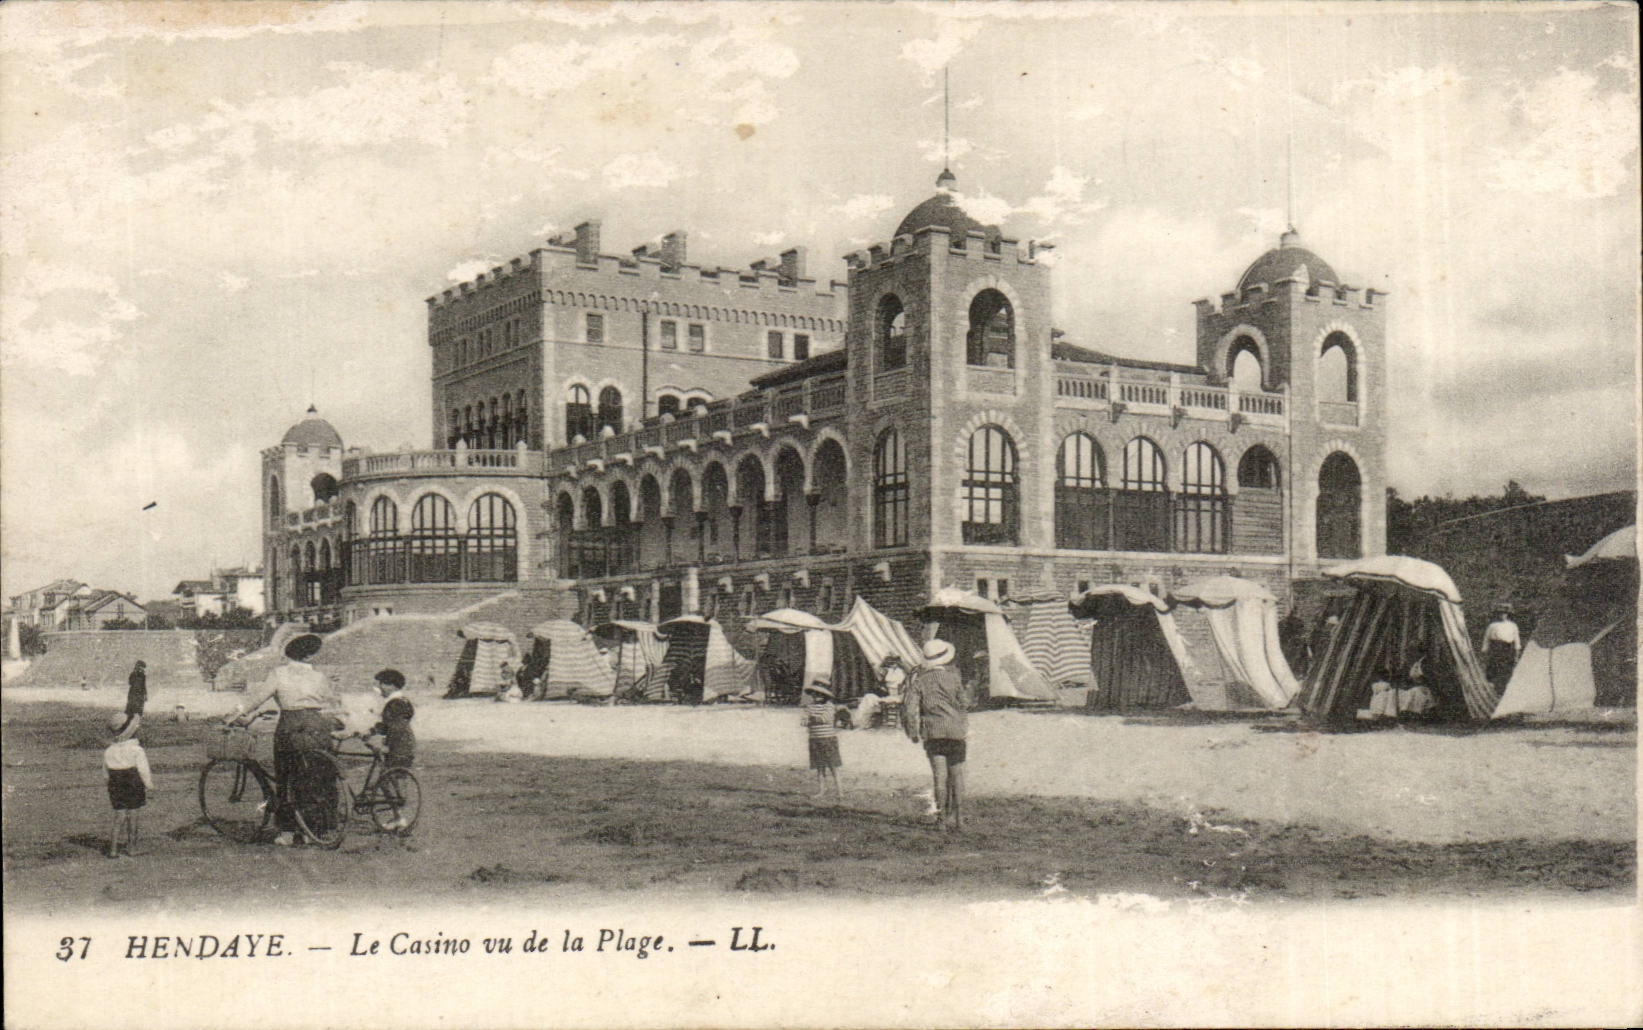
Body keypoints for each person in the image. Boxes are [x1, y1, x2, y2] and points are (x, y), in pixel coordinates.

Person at [232, 633, 334, 847]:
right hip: (318, 725)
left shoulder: (279, 673)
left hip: (292, 725)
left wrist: (235, 714)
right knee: (317, 776)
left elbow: (257, 698)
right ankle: (314, 829)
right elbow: (330, 702)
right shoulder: (319, 676)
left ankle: (287, 832)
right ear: (308, 656)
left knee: (286, 778)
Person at [903, 639, 968, 831]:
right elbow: (964, 703)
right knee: (957, 776)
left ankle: (941, 821)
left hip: (933, 732)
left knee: (939, 777)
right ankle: (960, 819)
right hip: (955, 732)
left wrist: (913, 732)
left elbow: (910, 709)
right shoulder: (954, 678)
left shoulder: (920, 681)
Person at [103, 711, 153, 858]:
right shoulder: (137, 750)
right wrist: (149, 785)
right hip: (133, 782)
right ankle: (132, 848)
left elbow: (105, 772)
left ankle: (113, 850)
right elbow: (143, 770)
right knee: (133, 816)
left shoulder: (109, 751)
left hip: (115, 782)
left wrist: (109, 783)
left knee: (119, 816)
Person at [800, 680, 844, 802]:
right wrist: (812, 720)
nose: (817, 696)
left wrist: (812, 720)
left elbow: (826, 718)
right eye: (814, 693)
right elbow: (803, 721)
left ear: (825, 695)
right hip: (815, 740)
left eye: (820, 694)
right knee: (819, 767)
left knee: (833, 766)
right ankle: (822, 790)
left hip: (828, 740)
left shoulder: (829, 706)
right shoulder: (809, 707)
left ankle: (840, 791)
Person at [1482, 605, 1521, 693]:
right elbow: (1486, 639)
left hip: (1507, 650)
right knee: (1494, 669)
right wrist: (1485, 651)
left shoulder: (1512, 626)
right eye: (1500, 613)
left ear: (1507, 614)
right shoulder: (1492, 626)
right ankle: (1492, 689)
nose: (1502, 615)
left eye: (1504, 613)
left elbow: (1517, 640)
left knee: (1506, 670)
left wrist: (1517, 652)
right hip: (1496, 649)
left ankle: (1503, 690)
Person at [125, 660, 147, 730]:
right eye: (141, 667)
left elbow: (144, 685)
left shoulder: (143, 675)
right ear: (137, 666)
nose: (142, 669)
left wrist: (145, 694)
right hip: (133, 693)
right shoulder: (133, 674)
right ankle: (127, 723)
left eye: (143, 668)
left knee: (139, 709)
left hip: (140, 694)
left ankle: (136, 724)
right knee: (131, 708)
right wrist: (135, 674)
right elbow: (130, 682)